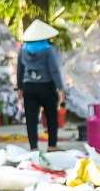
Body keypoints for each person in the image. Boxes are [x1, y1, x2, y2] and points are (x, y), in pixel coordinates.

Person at [15, 19, 65, 151]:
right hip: (46, 86)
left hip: (29, 87)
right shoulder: (48, 50)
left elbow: (20, 69)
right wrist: (60, 88)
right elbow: (53, 69)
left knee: (31, 118)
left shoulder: (23, 50)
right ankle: (52, 145)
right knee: (51, 117)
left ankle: (33, 147)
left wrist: (19, 87)